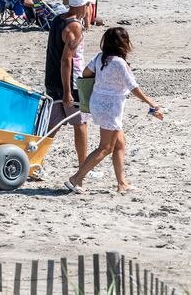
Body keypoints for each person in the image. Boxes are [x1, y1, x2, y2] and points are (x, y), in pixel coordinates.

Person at [65, 27, 164, 194]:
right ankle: (76, 178)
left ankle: (122, 183)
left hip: (98, 104)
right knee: (105, 147)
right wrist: (151, 103)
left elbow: (85, 73)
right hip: (110, 108)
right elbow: (133, 87)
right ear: (123, 43)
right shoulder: (118, 62)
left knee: (120, 144)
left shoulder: (99, 58)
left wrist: (102, 82)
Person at [45, 0, 96, 168]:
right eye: (88, 5)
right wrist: (67, 92)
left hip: (52, 79)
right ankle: (84, 167)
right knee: (80, 124)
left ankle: (37, 161)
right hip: (70, 82)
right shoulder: (75, 27)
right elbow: (66, 60)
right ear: (82, 7)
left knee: (51, 126)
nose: (89, 8)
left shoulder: (58, 19)